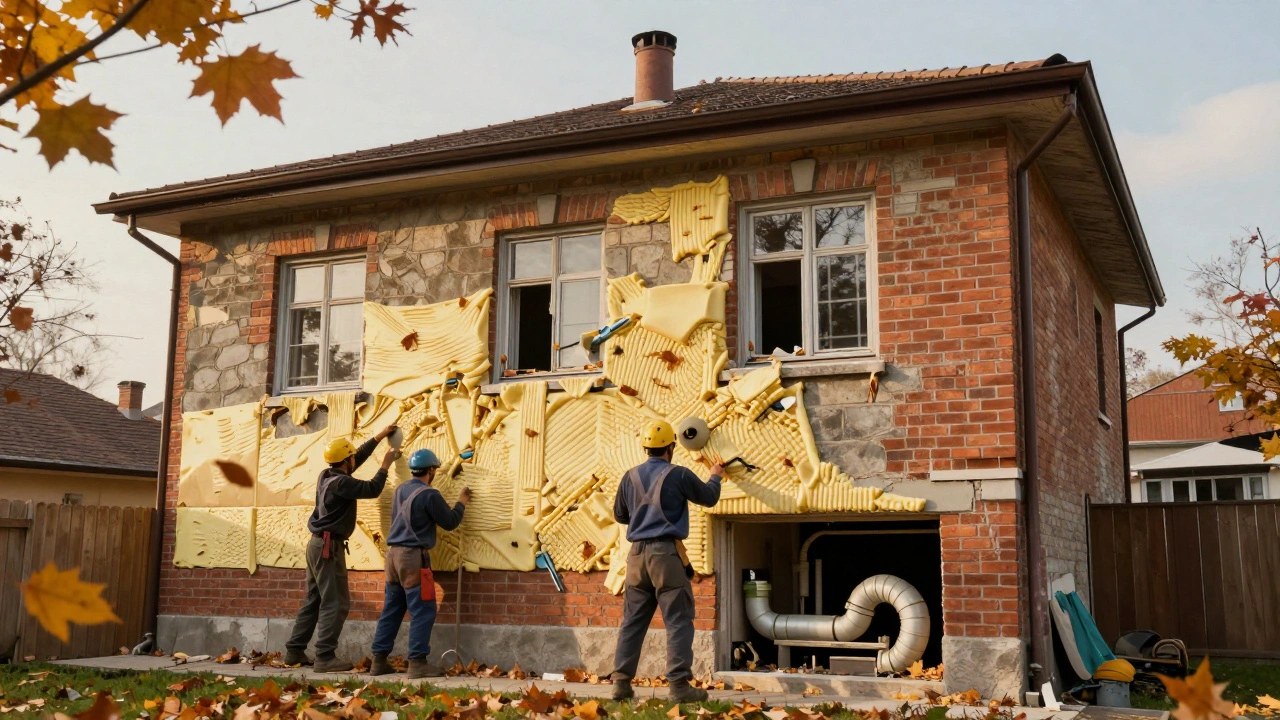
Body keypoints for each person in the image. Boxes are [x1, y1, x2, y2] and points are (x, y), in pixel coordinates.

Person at [610, 419, 723, 703]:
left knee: (632, 622)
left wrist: (642, 516)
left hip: (636, 557)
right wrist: (715, 476)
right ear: (671, 447)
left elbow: (620, 515)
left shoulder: (629, 476)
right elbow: (709, 498)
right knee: (678, 620)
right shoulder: (679, 474)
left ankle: (621, 684)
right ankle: (679, 687)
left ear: (645, 448)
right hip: (665, 556)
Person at [284, 424, 399, 672]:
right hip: (329, 548)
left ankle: (294, 651)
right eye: (351, 457)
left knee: (314, 599)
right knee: (336, 602)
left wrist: (380, 436)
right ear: (347, 462)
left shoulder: (326, 476)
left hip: (316, 545)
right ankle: (325, 657)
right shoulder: (342, 484)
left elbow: (357, 456)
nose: (354, 459)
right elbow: (372, 489)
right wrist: (385, 465)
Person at [368, 448, 470, 679]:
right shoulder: (430, 494)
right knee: (423, 610)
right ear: (431, 470)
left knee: (392, 609)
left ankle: (378, 661)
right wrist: (462, 502)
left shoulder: (401, 489)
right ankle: (417, 663)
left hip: (392, 557)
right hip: (413, 558)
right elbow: (450, 522)